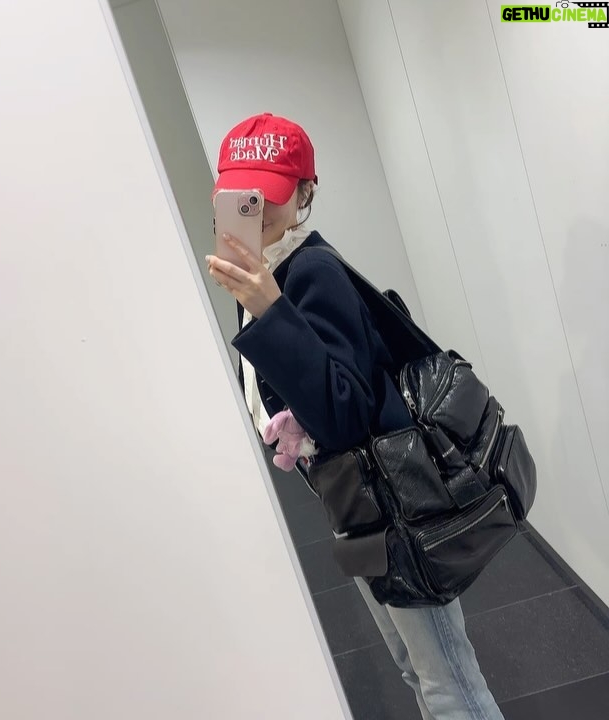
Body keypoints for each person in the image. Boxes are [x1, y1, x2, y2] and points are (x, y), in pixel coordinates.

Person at [205, 112, 504, 720]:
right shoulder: (267, 274)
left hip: (391, 500)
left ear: (305, 193)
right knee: (414, 666)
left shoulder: (307, 272)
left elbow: (344, 416)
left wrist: (271, 312)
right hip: (356, 499)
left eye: (271, 194)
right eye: (243, 195)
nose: (257, 210)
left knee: (448, 683)